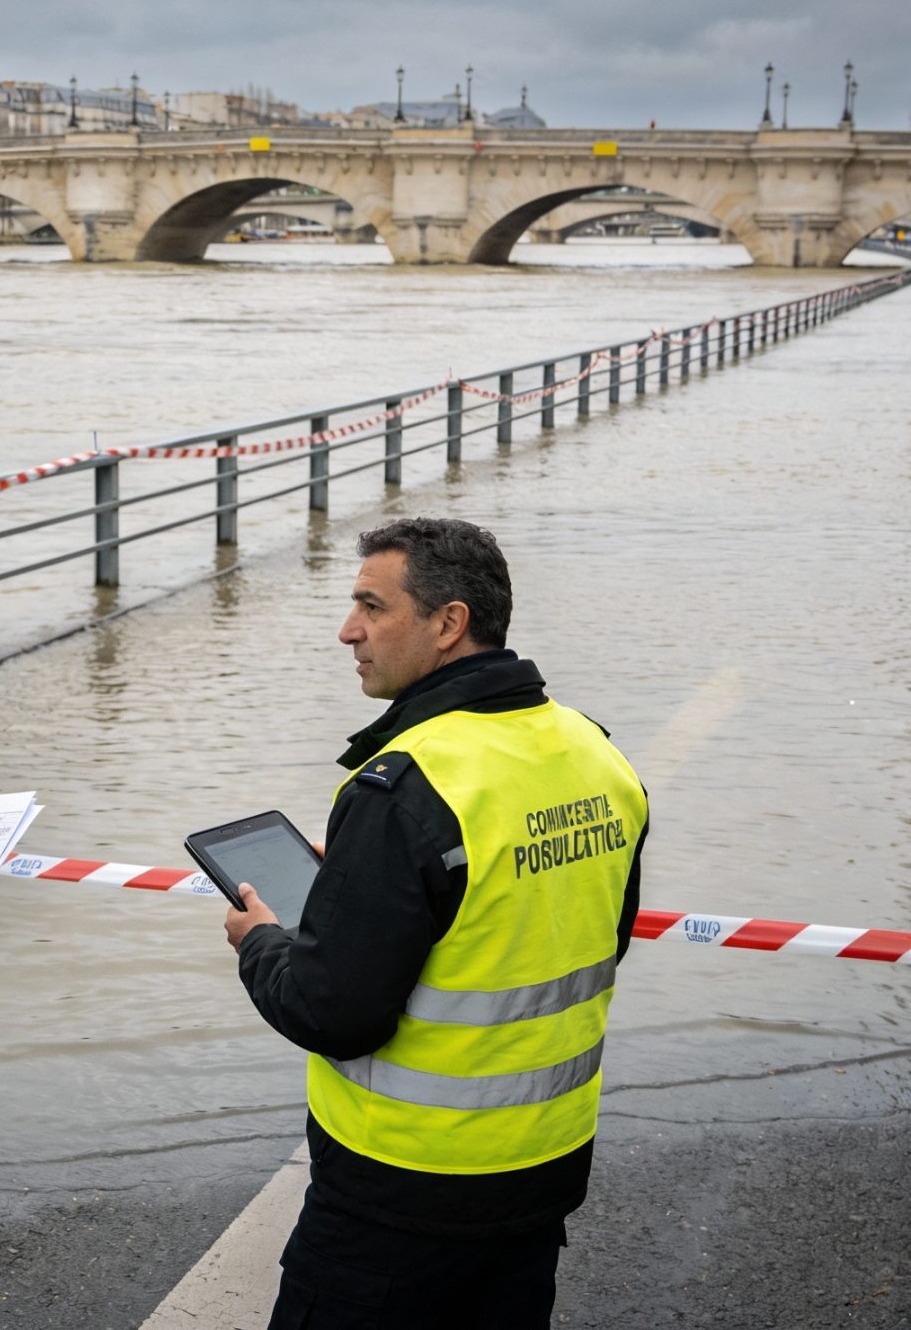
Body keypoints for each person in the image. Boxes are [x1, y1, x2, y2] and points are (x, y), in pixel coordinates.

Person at [222, 518, 646, 1329]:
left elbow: (330, 1012)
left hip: (400, 1188)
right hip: (542, 1167)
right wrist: (369, 882)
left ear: (449, 623)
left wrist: (262, 942)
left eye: (372, 606)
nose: (348, 631)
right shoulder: (594, 752)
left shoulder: (406, 787)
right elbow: (591, 935)